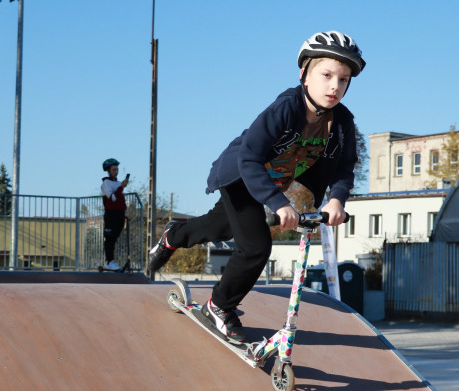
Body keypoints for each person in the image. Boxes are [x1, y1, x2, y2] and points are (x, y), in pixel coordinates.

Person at [146, 30, 365, 343]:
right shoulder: (285, 109)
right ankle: (219, 306)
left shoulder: (341, 121)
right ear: (304, 73)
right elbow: (249, 159)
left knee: (220, 227)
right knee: (255, 245)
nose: (334, 86)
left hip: (271, 183)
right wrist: (278, 203)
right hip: (240, 174)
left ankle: (173, 235)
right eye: (326, 75)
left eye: (343, 80)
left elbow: (344, 167)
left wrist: (337, 200)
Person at [101, 158, 130, 271]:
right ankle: (109, 261)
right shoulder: (106, 183)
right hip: (110, 214)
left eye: (117, 169)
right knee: (109, 238)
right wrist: (121, 187)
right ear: (108, 171)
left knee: (114, 238)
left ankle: (111, 261)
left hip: (120, 214)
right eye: (113, 170)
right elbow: (112, 198)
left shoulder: (118, 183)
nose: (116, 172)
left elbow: (119, 200)